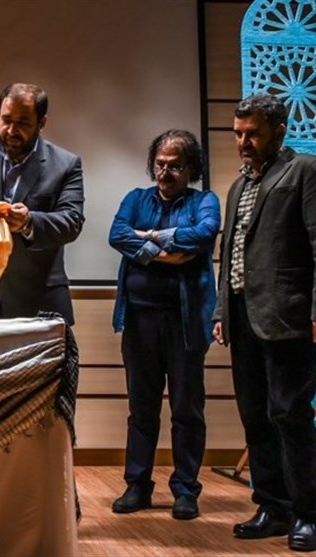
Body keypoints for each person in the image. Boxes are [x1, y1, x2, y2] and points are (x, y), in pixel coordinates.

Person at [212, 94, 316, 552]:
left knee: (289, 415)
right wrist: (221, 311)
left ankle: (307, 514)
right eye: (238, 133)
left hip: (289, 316)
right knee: (255, 417)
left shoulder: (310, 171)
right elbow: (230, 253)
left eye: (252, 133)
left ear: (279, 130)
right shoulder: (238, 186)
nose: (243, 142)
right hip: (242, 317)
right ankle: (272, 506)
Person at [108, 130, 220, 521]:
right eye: (160, 164)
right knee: (141, 410)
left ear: (191, 169)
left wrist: (148, 238)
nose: (165, 172)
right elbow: (116, 234)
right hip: (139, 320)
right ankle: (137, 485)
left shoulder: (204, 201)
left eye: (174, 166)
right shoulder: (136, 199)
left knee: (187, 410)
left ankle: (185, 490)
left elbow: (204, 234)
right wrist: (165, 252)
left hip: (186, 323)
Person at [0, 83, 84, 324]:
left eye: (22, 123)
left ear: (41, 123)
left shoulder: (66, 164)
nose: (11, 130)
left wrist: (29, 222)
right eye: (6, 120)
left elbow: (72, 222)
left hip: (39, 304)